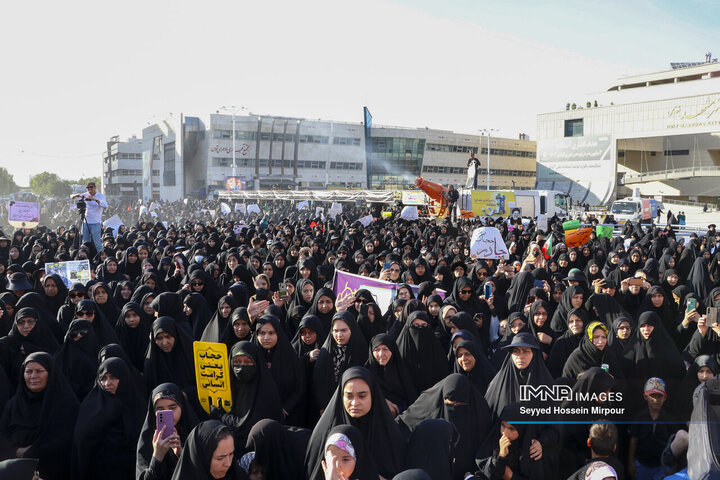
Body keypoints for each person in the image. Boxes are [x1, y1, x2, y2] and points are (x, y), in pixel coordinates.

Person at [70, 181, 108, 254]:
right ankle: (86, 257)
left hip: (96, 222)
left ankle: (101, 257)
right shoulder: (85, 195)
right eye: (88, 188)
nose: (89, 189)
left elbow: (105, 205)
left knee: (97, 242)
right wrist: (75, 195)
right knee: (85, 242)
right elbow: (71, 197)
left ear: (95, 187)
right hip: (86, 221)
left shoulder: (100, 196)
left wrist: (94, 199)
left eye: (91, 187)